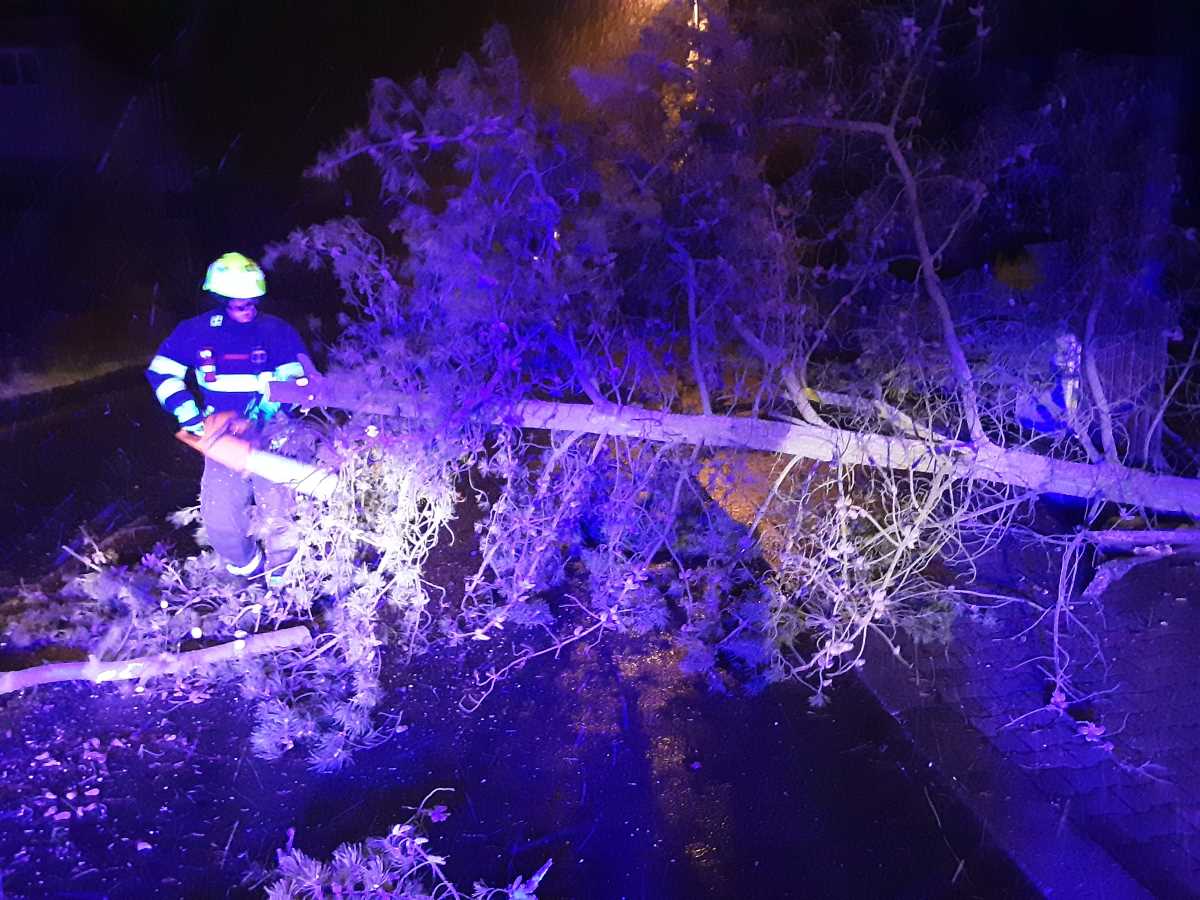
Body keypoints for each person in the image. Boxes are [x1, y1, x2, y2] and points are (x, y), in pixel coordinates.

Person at [145, 251, 311, 583]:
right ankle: (247, 572)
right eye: (237, 302)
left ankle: (284, 583)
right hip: (221, 439)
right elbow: (162, 372)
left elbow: (297, 382)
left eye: (251, 301)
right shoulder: (195, 332)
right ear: (221, 298)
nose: (245, 308)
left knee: (279, 513)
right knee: (220, 518)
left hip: (273, 433)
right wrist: (190, 417)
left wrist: (262, 416)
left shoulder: (277, 331)